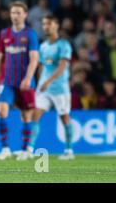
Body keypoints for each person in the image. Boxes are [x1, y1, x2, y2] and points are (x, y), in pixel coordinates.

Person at [0, 1, 39, 161]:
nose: (15, 16)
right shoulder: (4, 34)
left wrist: (28, 78)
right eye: (13, 12)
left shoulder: (30, 34)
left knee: (26, 116)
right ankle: (5, 148)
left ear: (25, 15)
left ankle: (26, 149)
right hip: (7, 81)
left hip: (25, 82)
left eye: (19, 12)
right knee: (1, 111)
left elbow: (34, 59)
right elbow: (0, 57)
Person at [28, 15, 75, 160]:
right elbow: (41, 67)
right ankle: (29, 149)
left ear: (56, 25)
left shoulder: (64, 45)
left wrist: (48, 81)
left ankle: (68, 150)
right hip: (44, 89)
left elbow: (62, 66)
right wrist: (40, 82)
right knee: (36, 115)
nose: (46, 26)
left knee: (64, 118)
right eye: (44, 24)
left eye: (49, 23)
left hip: (60, 89)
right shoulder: (43, 46)